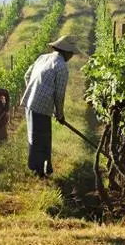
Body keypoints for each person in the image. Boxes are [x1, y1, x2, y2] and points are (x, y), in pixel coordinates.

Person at [20, 35, 80, 178]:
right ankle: (39, 171)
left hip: (30, 103)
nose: (71, 56)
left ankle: (40, 169)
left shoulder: (43, 58)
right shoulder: (61, 67)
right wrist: (60, 114)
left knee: (35, 137)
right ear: (65, 52)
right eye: (71, 53)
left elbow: (27, 76)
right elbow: (59, 94)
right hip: (40, 107)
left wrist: (34, 91)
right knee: (41, 139)